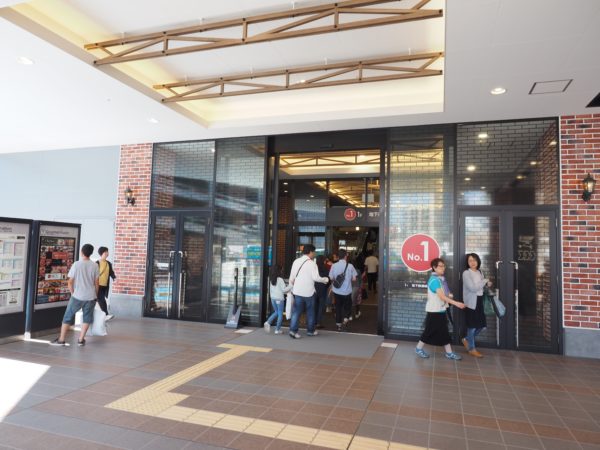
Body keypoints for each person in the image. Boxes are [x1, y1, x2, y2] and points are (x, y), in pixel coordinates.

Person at [49, 244, 99, 347]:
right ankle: (81, 340)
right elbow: (96, 283)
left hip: (77, 296)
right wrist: (96, 295)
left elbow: (70, 282)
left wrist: (72, 293)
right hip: (90, 296)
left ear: (81, 252)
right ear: (91, 253)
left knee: (67, 317)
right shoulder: (95, 265)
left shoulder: (76, 264)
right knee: (87, 318)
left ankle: (61, 340)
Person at [415, 258, 465, 360]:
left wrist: (449, 295)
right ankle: (418, 348)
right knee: (429, 331)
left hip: (440, 310)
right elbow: (442, 296)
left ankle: (449, 353)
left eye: (444, 266)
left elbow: (443, 294)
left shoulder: (440, 279)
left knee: (443, 331)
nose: (443, 268)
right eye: (441, 266)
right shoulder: (434, 280)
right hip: (434, 311)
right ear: (434, 267)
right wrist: (456, 303)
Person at [288, 244, 329, 339]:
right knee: (310, 312)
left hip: (297, 291)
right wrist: (325, 279)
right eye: (314, 252)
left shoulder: (296, 261)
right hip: (309, 293)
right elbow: (316, 278)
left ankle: (293, 331)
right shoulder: (312, 264)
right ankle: (310, 331)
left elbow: (292, 277)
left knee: (296, 312)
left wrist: (292, 288)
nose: (314, 254)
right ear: (310, 252)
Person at [462, 253, 490, 358]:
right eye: (470, 260)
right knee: (472, 326)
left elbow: (480, 287)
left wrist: (486, 284)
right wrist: (485, 281)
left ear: (478, 261)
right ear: (467, 263)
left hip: (480, 300)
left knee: (481, 325)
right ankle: (472, 349)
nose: (472, 262)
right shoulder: (466, 273)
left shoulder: (479, 272)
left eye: (474, 260)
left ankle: (466, 339)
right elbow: (472, 288)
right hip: (471, 303)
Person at [329, 249, 358, 331]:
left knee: (338, 307)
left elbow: (331, 277)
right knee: (347, 307)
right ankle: (345, 319)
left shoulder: (334, 265)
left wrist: (337, 279)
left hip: (337, 291)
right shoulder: (350, 266)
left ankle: (338, 324)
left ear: (338, 257)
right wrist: (348, 279)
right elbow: (354, 279)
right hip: (347, 291)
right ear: (346, 256)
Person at [265, 265, 291, 334]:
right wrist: (291, 286)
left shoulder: (271, 279)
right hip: (279, 299)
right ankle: (277, 330)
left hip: (273, 298)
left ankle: (268, 322)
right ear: (278, 271)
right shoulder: (280, 279)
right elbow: (284, 290)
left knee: (276, 312)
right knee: (280, 313)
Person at [96, 246, 116, 321]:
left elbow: (111, 272)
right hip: (98, 285)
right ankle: (105, 314)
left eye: (107, 252)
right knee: (101, 300)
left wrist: (114, 277)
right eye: (106, 252)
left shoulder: (108, 263)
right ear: (102, 253)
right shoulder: (97, 263)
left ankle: (103, 315)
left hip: (105, 285)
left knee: (101, 300)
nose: (107, 253)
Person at [314, 255, 330, 329]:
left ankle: (313, 321)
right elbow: (328, 280)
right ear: (323, 261)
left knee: (314, 306)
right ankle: (318, 322)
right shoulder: (326, 269)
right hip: (323, 290)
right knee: (321, 307)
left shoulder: (314, 268)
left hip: (314, 289)